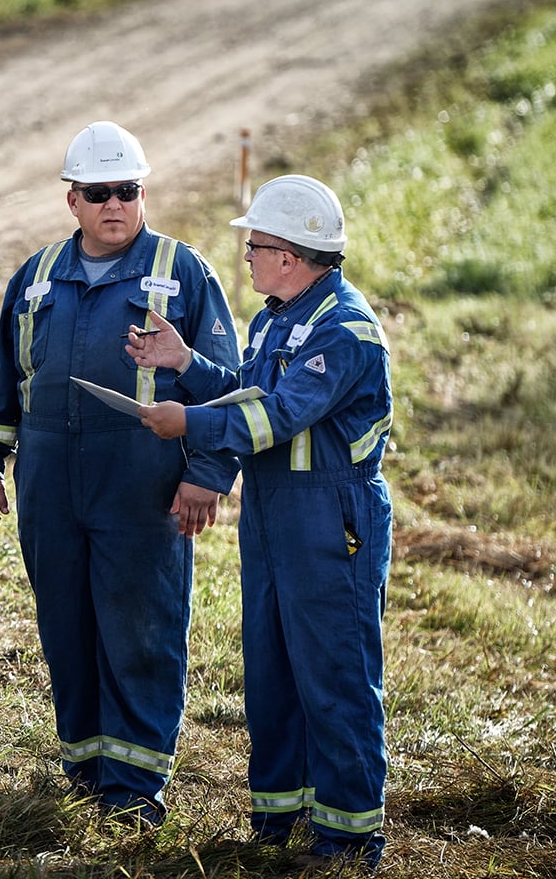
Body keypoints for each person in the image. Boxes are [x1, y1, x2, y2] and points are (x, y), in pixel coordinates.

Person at [0, 121, 241, 827]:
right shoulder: (35, 277)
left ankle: (135, 786)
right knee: (66, 622)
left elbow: (228, 386)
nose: (114, 204)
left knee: (141, 626)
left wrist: (208, 473)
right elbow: (4, 381)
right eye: (98, 193)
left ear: (143, 194)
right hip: (49, 478)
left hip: (142, 480)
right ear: (73, 201)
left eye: (127, 190)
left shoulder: (183, 271)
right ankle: (87, 768)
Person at [126, 173, 393, 869]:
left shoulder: (344, 330)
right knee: (273, 669)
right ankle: (280, 819)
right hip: (275, 514)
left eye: (256, 246)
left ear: (291, 256)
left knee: (334, 672)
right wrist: (187, 363)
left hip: (331, 519)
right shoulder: (278, 317)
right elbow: (249, 391)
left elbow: (276, 416)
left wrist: (188, 422)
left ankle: (348, 839)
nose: (246, 257)